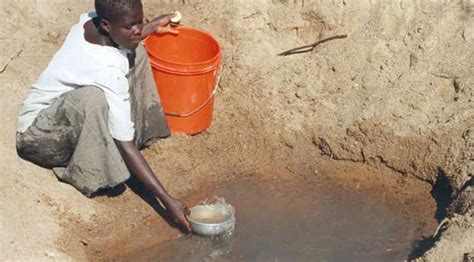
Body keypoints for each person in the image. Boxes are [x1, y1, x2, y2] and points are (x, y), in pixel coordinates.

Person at [15, 0, 191, 232]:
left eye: (140, 21)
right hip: (37, 137)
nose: (138, 29)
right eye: (131, 26)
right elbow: (125, 145)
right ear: (106, 25)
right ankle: (89, 173)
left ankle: (141, 133)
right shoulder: (107, 71)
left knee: (135, 51)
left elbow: (128, 33)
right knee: (93, 100)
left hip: (64, 114)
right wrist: (168, 201)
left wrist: (151, 25)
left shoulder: (88, 22)